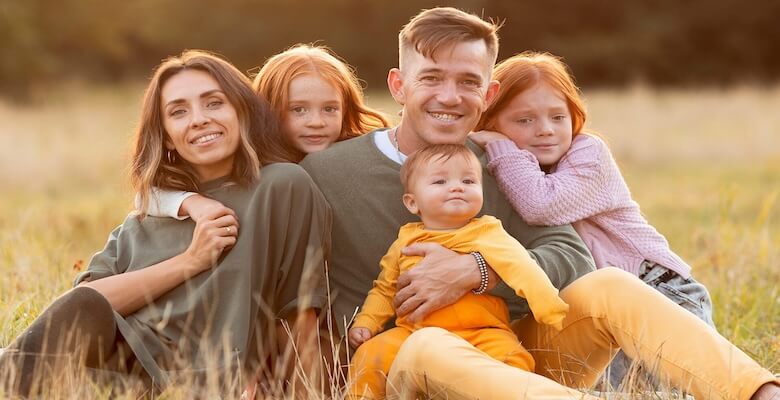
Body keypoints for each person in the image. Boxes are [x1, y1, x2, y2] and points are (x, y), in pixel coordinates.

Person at [300, 6, 780, 400]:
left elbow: (572, 257)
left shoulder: (496, 162)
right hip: (401, 364)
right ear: (399, 86)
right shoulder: (328, 173)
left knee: (611, 284)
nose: (450, 96)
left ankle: (758, 392)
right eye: (431, 78)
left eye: (468, 82)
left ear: (487, 94)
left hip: (509, 355)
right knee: (429, 344)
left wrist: (477, 270)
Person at [0, 50, 331, 397]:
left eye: (214, 103)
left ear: (242, 111)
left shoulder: (281, 186)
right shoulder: (147, 217)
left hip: (197, 380)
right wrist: (190, 261)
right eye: (178, 112)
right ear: (167, 135)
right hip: (113, 371)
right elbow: (85, 303)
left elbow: (298, 311)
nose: (199, 119)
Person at [469, 51, 716, 389]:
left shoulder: (588, 154)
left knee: (684, 391)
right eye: (524, 120)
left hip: (657, 293)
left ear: (574, 115)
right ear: (491, 120)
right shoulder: (501, 172)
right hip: (597, 316)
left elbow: (542, 204)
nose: (545, 130)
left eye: (558, 117)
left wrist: (499, 146)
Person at [346, 144, 569, 399]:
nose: (456, 187)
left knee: (511, 360)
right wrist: (366, 322)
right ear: (412, 202)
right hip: (414, 333)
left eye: (468, 181)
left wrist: (549, 306)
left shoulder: (488, 232)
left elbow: (522, 267)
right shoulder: (406, 242)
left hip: (483, 332)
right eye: (440, 181)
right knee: (372, 354)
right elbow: (385, 288)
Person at [146, 44, 390, 220]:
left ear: (345, 109)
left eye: (330, 109)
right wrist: (189, 202)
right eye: (298, 109)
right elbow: (148, 196)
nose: (316, 122)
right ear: (269, 110)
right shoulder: (253, 164)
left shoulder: (355, 157)